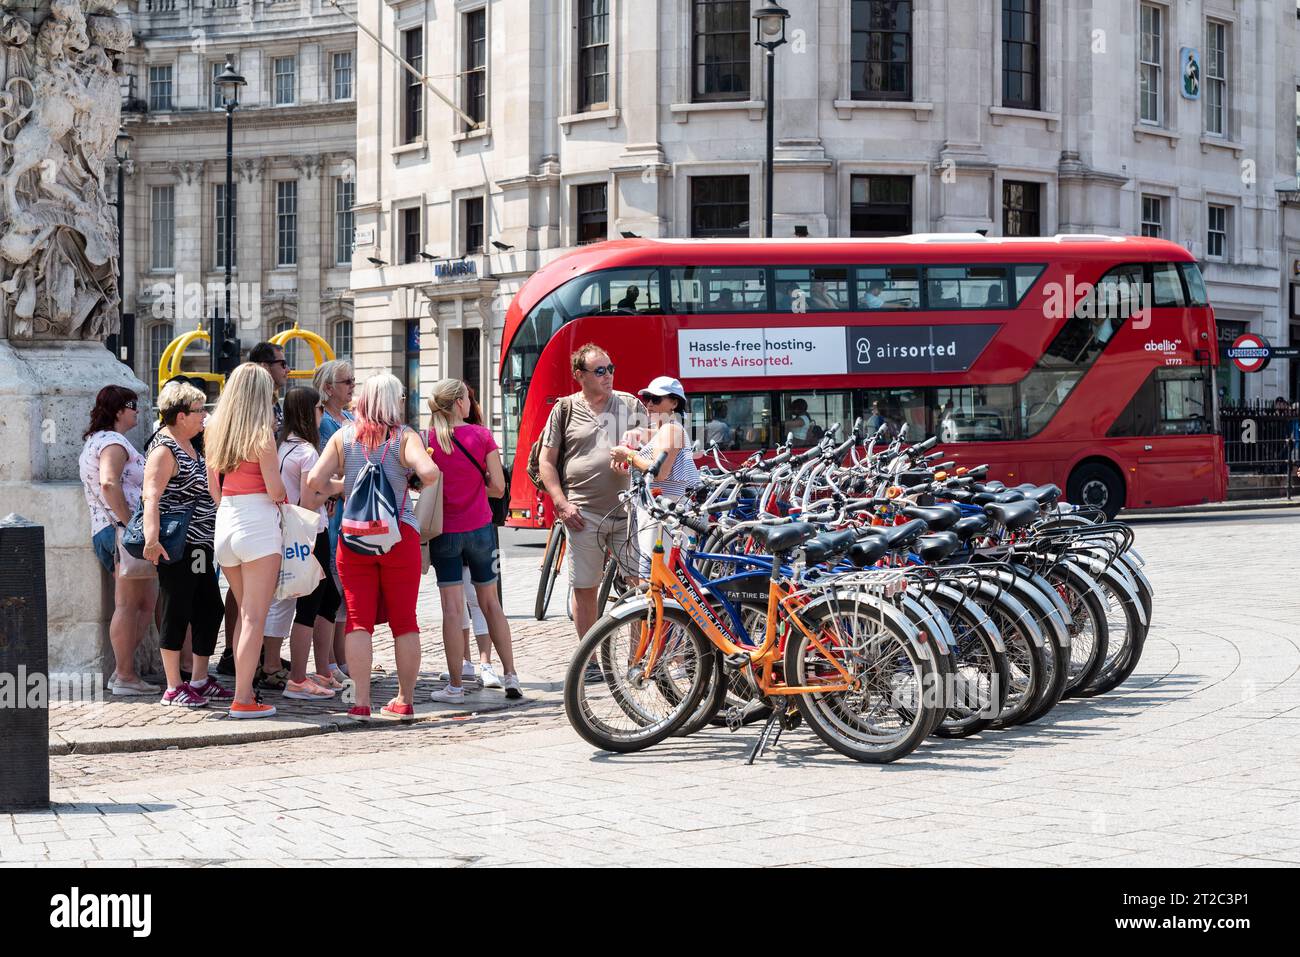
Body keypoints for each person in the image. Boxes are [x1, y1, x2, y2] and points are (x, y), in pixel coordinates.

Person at [307, 373, 439, 720]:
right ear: (392, 401)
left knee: (357, 620)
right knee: (405, 620)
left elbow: (313, 481)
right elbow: (430, 472)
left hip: (355, 538)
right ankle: (404, 700)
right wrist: (408, 478)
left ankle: (360, 701)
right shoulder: (402, 436)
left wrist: (346, 486)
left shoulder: (343, 436)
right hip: (399, 536)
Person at [537, 344, 646, 647]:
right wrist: (561, 503)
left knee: (641, 587)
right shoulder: (565, 409)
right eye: (600, 371)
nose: (608, 375)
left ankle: (636, 659)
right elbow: (547, 461)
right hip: (583, 514)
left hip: (628, 514)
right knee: (585, 588)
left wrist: (639, 441)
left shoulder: (630, 405)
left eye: (610, 368)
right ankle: (590, 659)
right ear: (579, 375)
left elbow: (655, 443)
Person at [425, 378, 521, 701]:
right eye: (466, 397)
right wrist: (477, 487)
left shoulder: (429, 440)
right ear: (459, 403)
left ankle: (455, 685)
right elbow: (499, 488)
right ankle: (510, 675)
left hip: (445, 533)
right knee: (491, 604)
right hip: (481, 530)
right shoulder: (481, 435)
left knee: (452, 610)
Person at [140, 379, 230, 708]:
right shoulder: (165, 449)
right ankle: (173, 686)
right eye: (198, 410)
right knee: (177, 609)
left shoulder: (193, 444)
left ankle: (200, 679)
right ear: (180, 415)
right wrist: (152, 539)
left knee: (209, 607)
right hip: (177, 545)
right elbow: (151, 496)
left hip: (201, 544)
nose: (204, 415)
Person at [205, 363, 286, 719]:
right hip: (257, 522)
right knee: (255, 616)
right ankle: (243, 698)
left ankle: (243, 691)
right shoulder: (262, 435)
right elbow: (276, 489)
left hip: (226, 523)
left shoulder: (215, 432)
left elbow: (214, 490)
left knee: (242, 615)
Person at [262, 386, 344, 700]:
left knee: (317, 600)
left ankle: (318, 670)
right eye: (319, 408)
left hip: (289, 528)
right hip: (312, 530)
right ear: (309, 412)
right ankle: (300, 677)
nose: (321, 414)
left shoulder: (282, 446)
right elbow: (311, 498)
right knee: (312, 603)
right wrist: (338, 487)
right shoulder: (308, 451)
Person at [79, 385, 160, 696]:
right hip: (119, 532)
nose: (136, 411)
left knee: (143, 602)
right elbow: (109, 483)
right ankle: (124, 674)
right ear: (117, 411)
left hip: (112, 531)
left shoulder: (98, 441)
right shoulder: (113, 442)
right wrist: (130, 526)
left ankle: (123, 671)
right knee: (128, 604)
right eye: (131, 405)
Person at [610, 377, 700, 578]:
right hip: (658, 515)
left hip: (662, 517)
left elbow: (659, 472)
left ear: (674, 403)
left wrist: (628, 455)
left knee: (655, 577)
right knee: (653, 574)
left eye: (656, 399)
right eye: (647, 398)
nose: (649, 403)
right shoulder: (663, 430)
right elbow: (654, 472)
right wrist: (629, 464)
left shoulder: (671, 430)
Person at [313, 359, 355, 685]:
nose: (352, 386)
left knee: (344, 588)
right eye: (346, 382)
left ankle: (341, 656)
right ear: (329, 388)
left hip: (351, 508)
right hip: (333, 509)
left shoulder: (351, 418)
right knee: (330, 583)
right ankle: (326, 658)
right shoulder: (325, 423)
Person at [249, 341, 289, 432]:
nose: (288, 370)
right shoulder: (252, 403)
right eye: (283, 364)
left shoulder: (271, 398)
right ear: (265, 367)